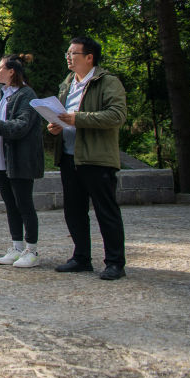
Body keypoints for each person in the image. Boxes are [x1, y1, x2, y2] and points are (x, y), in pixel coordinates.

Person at [48, 37, 128, 281]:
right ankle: (81, 257)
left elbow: (116, 115)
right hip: (69, 157)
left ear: (89, 57)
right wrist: (57, 126)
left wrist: (77, 119)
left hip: (96, 158)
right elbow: (66, 116)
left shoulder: (107, 82)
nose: (69, 58)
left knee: (106, 211)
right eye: (67, 53)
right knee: (74, 211)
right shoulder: (68, 83)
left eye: (74, 53)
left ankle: (115, 262)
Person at [0, 54, 44, 268]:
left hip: (20, 158)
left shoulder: (26, 94)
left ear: (11, 71)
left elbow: (20, 126)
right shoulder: (2, 95)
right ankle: (16, 246)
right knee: (10, 205)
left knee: (24, 204)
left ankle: (31, 249)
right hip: (1, 158)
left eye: (0, 68)